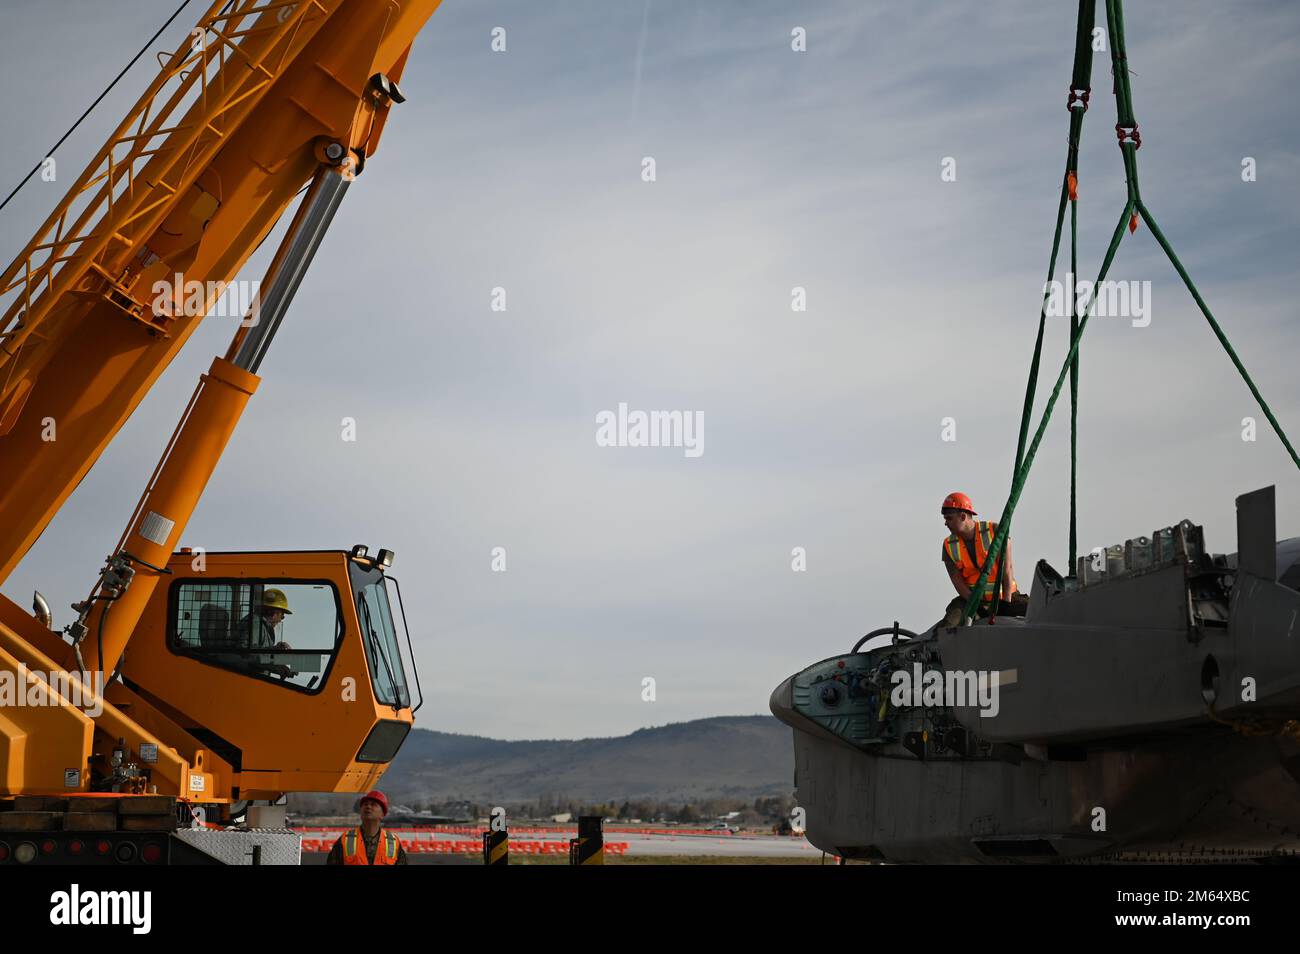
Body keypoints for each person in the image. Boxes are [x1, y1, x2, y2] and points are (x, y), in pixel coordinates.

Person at [939, 492, 1027, 627]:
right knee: (949, 625)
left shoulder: (995, 530)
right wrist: (975, 606)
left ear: (963, 516)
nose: (945, 523)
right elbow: (957, 581)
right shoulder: (948, 546)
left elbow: (1007, 569)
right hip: (973, 601)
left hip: (1006, 597)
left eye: (949, 518)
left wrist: (1006, 604)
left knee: (1040, 612)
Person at [326, 790, 408, 865]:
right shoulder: (346, 840)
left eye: (373, 804)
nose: (368, 806)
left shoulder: (393, 843)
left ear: (382, 814)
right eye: (365, 804)